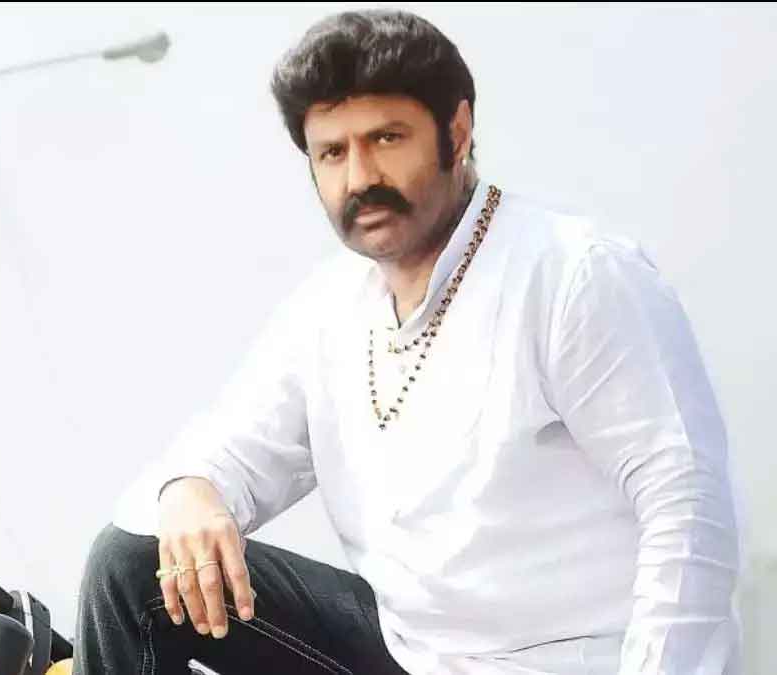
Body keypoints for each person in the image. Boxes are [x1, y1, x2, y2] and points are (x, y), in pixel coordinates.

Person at [72, 9, 741, 675]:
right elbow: (230, 448)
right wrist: (191, 488)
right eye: (333, 153)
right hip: (405, 652)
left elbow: (687, 507)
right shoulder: (328, 309)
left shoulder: (573, 274)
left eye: (387, 139)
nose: (360, 177)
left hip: (562, 659)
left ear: (458, 130)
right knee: (134, 564)